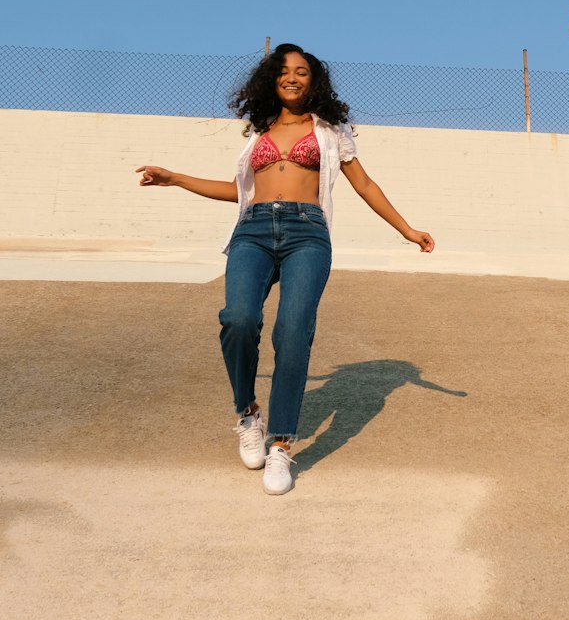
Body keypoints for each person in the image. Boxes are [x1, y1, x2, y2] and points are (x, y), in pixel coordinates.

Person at [136, 43, 434, 495]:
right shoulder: (259, 130)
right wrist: (175, 178)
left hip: (307, 232)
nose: (292, 77)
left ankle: (280, 445)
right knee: (238, 320)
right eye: (284, 70)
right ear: (271, 79)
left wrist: (407, 230)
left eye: (302, 72)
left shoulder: (331, 130)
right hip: (253, 231)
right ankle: (247, 413)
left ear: (314, 82)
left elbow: (364, 184)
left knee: (293, 331)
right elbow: (238, 192)